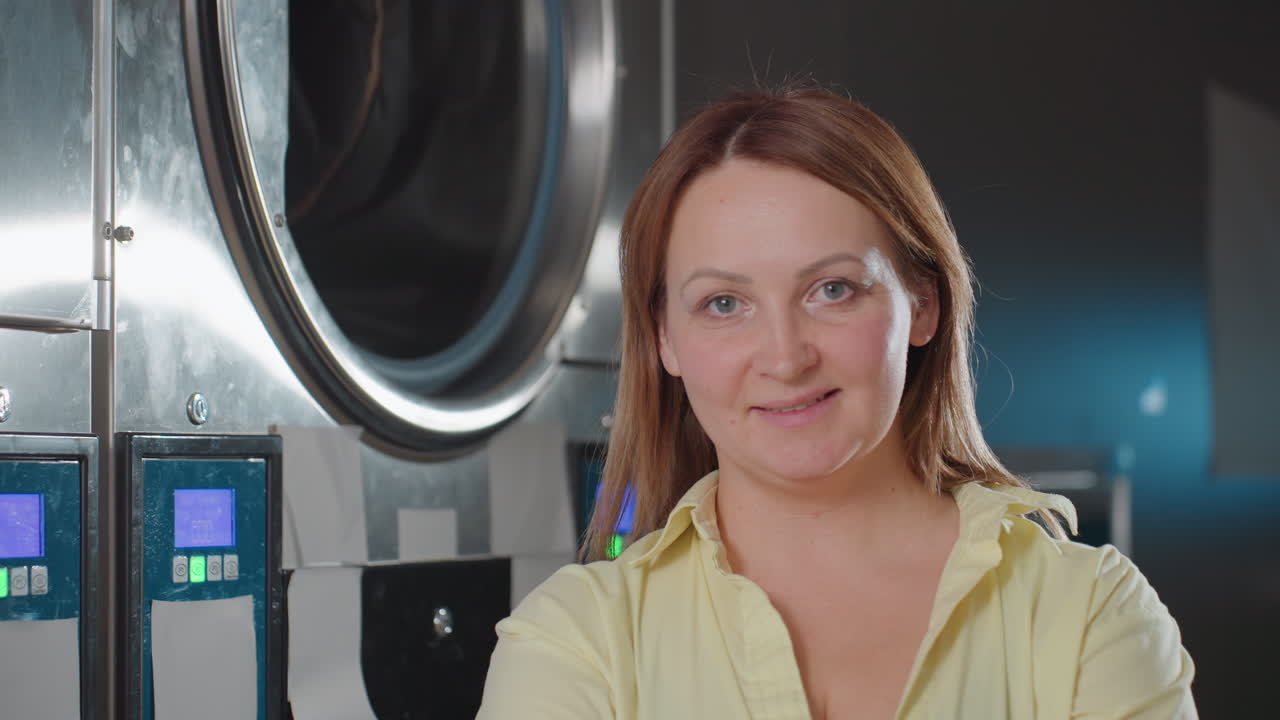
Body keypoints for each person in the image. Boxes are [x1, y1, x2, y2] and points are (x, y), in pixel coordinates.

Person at [477, 87, 1196, 719]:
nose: (786, 358)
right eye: (725, 303)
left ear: (922, 304)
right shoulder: (577, 644)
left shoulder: (1088, 618)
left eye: (833, 290)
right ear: (664, 339)